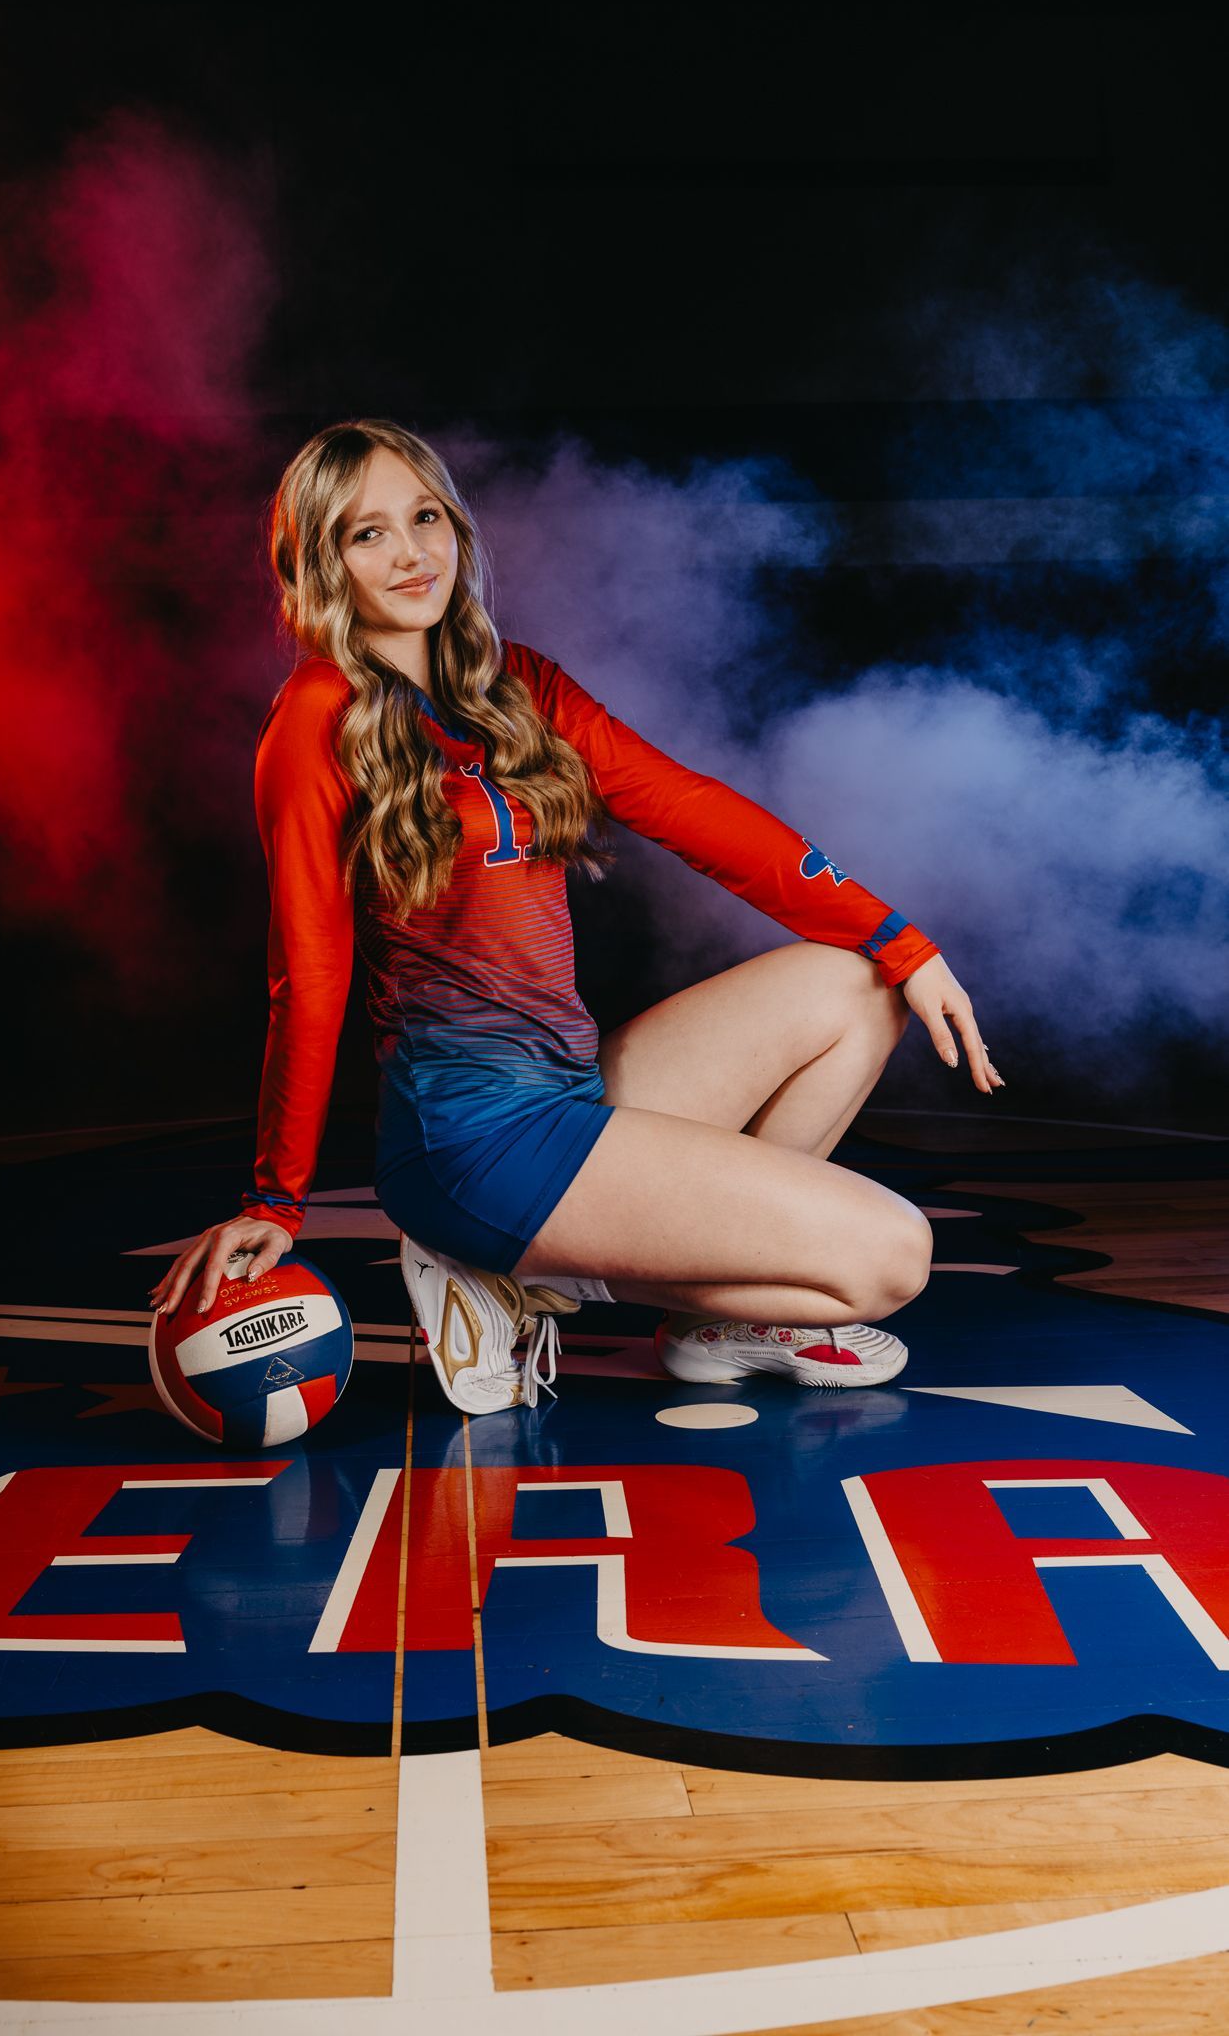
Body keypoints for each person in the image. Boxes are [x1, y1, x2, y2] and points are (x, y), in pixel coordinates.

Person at [148, 418, 1003, 1415]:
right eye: (366, 533)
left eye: (426, 516)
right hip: (472, 1139)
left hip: (570, 1091)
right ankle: (517, 1273)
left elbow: (691, 808)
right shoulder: (312, 724)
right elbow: (310, 971)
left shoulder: (516, 684)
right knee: (892, 1259)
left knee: (857, 982)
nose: (412, 552)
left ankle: (701, 1321)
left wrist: (903, 937)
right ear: (320, 561)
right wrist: (275, 1197)